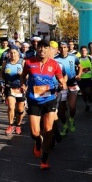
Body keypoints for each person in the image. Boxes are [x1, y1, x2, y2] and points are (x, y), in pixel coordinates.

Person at [21, 41, 66, 170]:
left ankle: (45, 159)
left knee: (48, 131)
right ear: (37, 48)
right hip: (34, 100)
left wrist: (62, 84)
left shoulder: (54, 64)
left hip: (49, 99)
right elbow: (23, 76)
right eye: (40, 47)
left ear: (49, 50)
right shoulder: (29, 62)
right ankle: (37, 142)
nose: (42, 49)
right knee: (35, 133)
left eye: (45, 47)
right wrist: (23, 84)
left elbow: (61, 79)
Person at [55, 42, 80, 135]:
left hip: (72, 83)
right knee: (61, 109)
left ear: (67, 48)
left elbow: (80, 65)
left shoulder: (73, 56)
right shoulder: (55, 59)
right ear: (58, 49)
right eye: (61, 48)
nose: (63, 49)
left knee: (72, 107)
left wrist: (79, 74)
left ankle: (71, 119)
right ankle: (65, 125)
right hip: (61, 85)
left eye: (65, 47)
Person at [0, 47, 25, 138]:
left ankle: (18, 125)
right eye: (11, 53)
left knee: (20, 109)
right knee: (11, 106)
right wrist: (1, 82)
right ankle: (10, 125)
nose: (13, 55)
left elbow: (28, 75)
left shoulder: (22, 62)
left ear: (18, 54)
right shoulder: (6, 62)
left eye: (14, 53)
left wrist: (22, 75)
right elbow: (1, 73)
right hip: (9, 87)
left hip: (20, 88)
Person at [78, 46, 92, 112]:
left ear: (87, 51)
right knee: (83, 93)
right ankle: (87, 105)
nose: (83, 52)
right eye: (82, 50)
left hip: (89, 78)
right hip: (81, 79)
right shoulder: (78, 59)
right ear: (80, 52)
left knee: (90, 92)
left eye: (84, 50)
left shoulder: (90, 58)